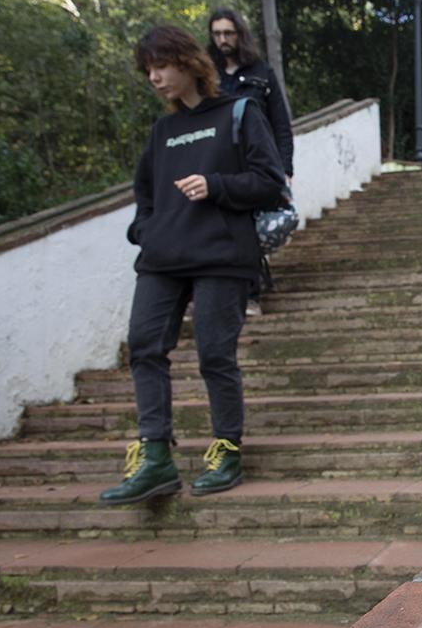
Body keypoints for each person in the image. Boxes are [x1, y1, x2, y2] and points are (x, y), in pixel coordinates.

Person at [99, 25, 285, 506]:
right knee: (144, 346)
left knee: (214, 354)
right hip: (163, 258)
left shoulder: (238, 113)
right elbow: (144, 196)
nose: (154, 78)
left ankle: (226, 450)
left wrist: (216, 186)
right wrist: (148, 230)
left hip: (222, 256)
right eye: (148, 71)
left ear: (187, 63)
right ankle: (156, 456)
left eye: (161, 67)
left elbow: (269, 181)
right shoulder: (162, 131)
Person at [207, 7, 294, 317]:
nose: (222, 39)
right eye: (217, 33)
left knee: (248, 229)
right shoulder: (206, 74)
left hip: (256, 165)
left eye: (228, 33)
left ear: (239, 34)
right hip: (218, 165)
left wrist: (285, 169)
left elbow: (281, 125)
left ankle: (251, 294)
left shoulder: (261, 73)